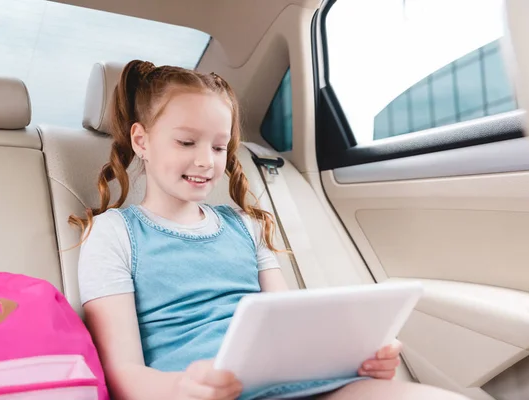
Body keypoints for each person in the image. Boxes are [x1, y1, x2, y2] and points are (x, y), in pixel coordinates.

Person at [71, 60, 468, 400]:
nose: (207, 161)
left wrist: (358, 357)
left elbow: (292, 326)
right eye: (187, 141)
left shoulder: (245, 227)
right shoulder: (114, 234)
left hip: (296, 386)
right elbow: (121, 374)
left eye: (218, 146)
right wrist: (182, 388)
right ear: (141, 140)